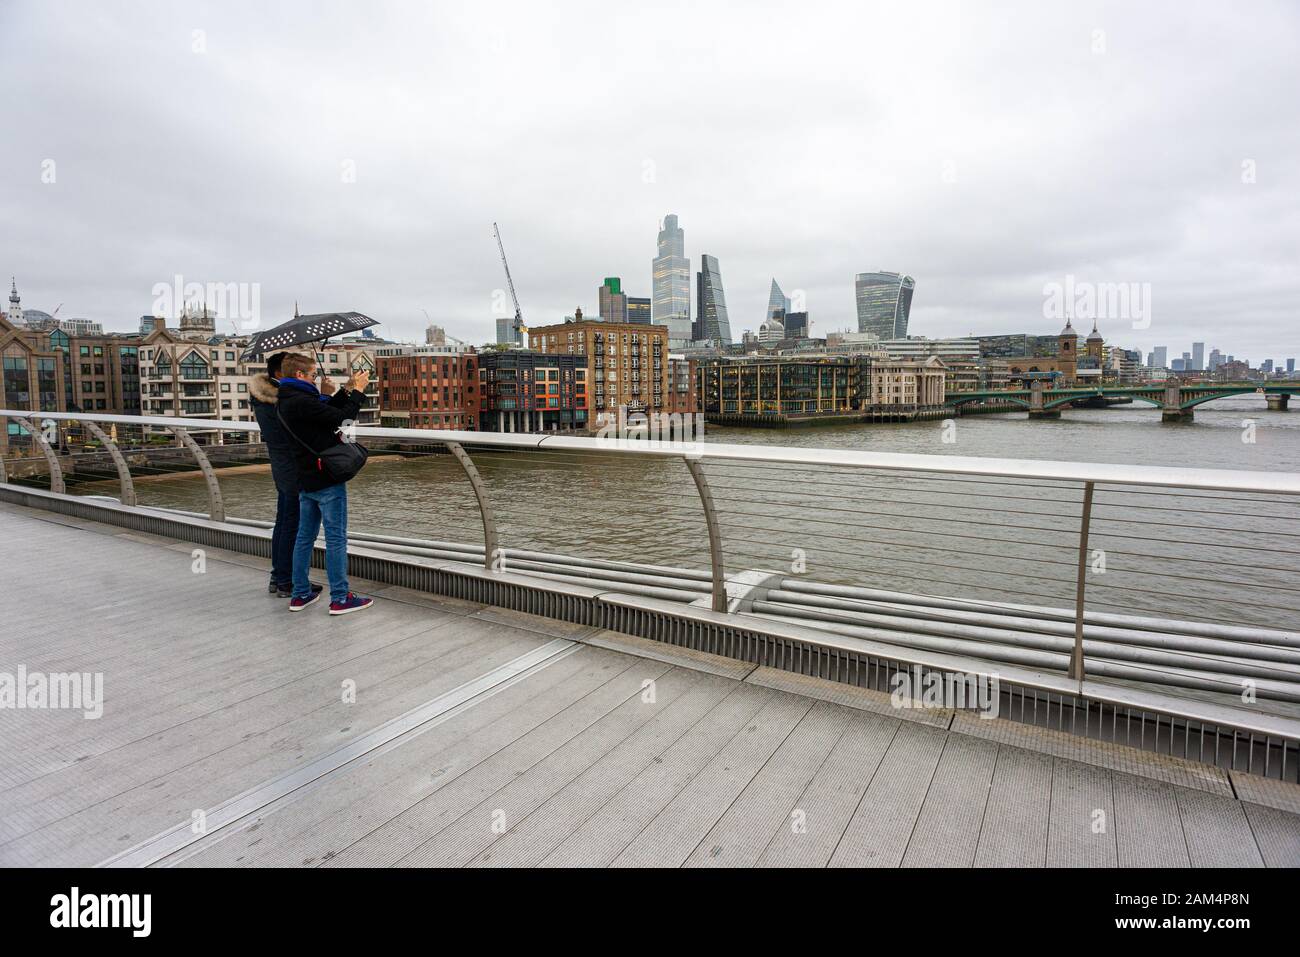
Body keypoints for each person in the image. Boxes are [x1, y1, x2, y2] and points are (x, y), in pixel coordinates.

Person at [275, 352, 375, 616]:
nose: (314, 378)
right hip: (325, 478)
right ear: (299, 375)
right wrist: (359, 392)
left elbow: (327, 412)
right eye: (312, 375)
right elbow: (343, 419)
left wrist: (347, 388)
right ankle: (340, 598)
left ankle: (300, 594)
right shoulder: (302, 401)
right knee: (336, 538)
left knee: (304, 537)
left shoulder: (287, 399)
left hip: (305, 478)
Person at [249, 352, 322, 599]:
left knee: (283, 523)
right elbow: (310, 424)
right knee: (293, 524)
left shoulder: (265, 398)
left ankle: (278, 576)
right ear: (280, 373)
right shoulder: (279, 401)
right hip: (293, 467)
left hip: (281, 466)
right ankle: (286, 582)